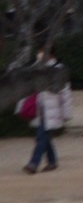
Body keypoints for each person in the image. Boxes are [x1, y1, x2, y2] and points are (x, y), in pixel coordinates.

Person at [20, 44, 71, 174]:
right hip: (39, 107)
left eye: (41, 51)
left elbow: (65, 93)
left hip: (52, 109)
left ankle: (33, 163)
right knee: (45, 137)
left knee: (41, 136)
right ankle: (52, 162)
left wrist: (66, 112)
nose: (39, 54)